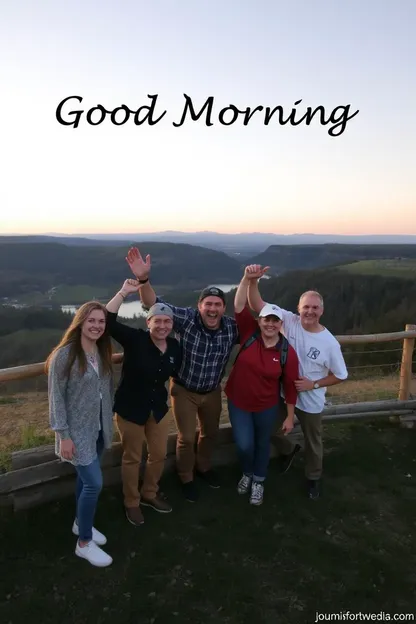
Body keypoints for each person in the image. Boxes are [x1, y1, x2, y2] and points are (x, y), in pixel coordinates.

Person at [125, 247, 239, 502]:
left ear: (223, 308)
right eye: (207, 304)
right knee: (186, 438)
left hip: (212, 391)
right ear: (199, 306)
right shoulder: (186, 319)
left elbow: (262, 330)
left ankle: (204, 467)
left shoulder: (232, 327)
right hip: (184, 390)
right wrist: (143, 280)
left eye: (217, 304)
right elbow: (153, 305)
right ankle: (185, 475)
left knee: (210, 433)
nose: (212, 309)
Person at [246, 265, 348, 499]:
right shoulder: (289, 322)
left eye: (314, 307)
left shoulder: (329, 343)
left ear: (321, 311)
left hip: (310, 401)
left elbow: (341, 375)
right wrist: (252, 281)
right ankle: (289, 450)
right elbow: (257, 306)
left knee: (314, 441)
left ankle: (313, 478)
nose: (309, 311)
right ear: (298, 309)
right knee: (268, 429)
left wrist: (313, 384)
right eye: (306, 307)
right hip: (283, 395)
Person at [106, 278, 182, 526]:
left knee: (158, 454)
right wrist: (123, 293)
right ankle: (131, 501)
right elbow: (107, 322)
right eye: (157, 321)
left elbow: (176, 372)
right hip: (130, 408)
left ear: (172, 325)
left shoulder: (174, 347)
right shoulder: (135, 339)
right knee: (132, 457)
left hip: (158, 409)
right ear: (148, 322)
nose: (162, 325)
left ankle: (150, 493)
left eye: (167, 321)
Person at [46, 301, 114, 568]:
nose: (96, 326)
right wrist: (63, 435)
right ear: (80, 323)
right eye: (92, 321)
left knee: (85, 482)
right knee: (94, 483)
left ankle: (79, 523)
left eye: (101, 321)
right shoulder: (65, 355)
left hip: (98, 428)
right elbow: (56, 399)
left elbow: (105, 391)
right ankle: (84, 543)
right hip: (76, 432)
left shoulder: (101, 350)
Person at [225, 268, 299, 505]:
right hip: (239, 403)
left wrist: (289, 417)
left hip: (266, 406)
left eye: (275, 321)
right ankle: (247, 473)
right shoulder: (250, 333)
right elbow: (238, 305)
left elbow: (289, 386)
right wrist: (247, 279)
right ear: (260, 320)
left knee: (261, 442)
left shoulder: (287, 352)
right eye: (267, 319)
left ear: (280, 324)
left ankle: (258, 480)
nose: (270, 324)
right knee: (245, 444)